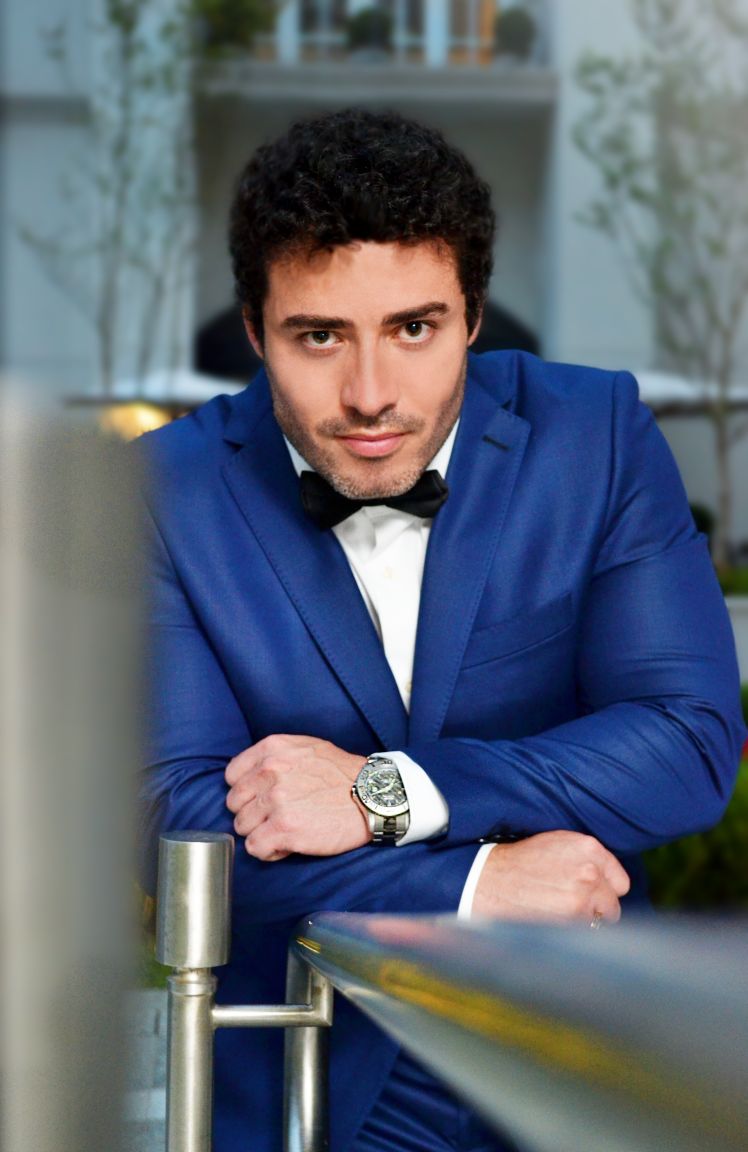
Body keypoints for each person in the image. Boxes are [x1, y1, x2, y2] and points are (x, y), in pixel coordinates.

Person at [139, 109, 746, 1152]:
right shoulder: (160, 492)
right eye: (319, 336)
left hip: (580, 1056)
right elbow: (176, 825)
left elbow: (686, 741)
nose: (370, 396)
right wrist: (476, 882)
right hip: (308, 1073)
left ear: (471, 318)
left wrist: (387, 794)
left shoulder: (594, 437)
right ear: (254, 331)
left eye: (413, 328)